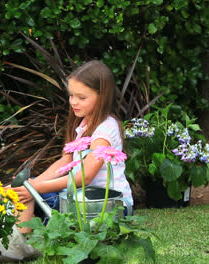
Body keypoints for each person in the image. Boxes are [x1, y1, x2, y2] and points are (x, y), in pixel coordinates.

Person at [11, 60, 134, 231]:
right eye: (71, 95)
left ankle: (21, 241)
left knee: (28, 194)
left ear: (102, 97)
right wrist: (31, 183)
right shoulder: (83, 123)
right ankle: (21, 231)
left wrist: (34, 188)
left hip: (110, 206)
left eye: (81, 97)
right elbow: (66, 160)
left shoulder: (105, 130)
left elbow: (84, 177)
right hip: (80, 198)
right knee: (21, 189)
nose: (73, 102)